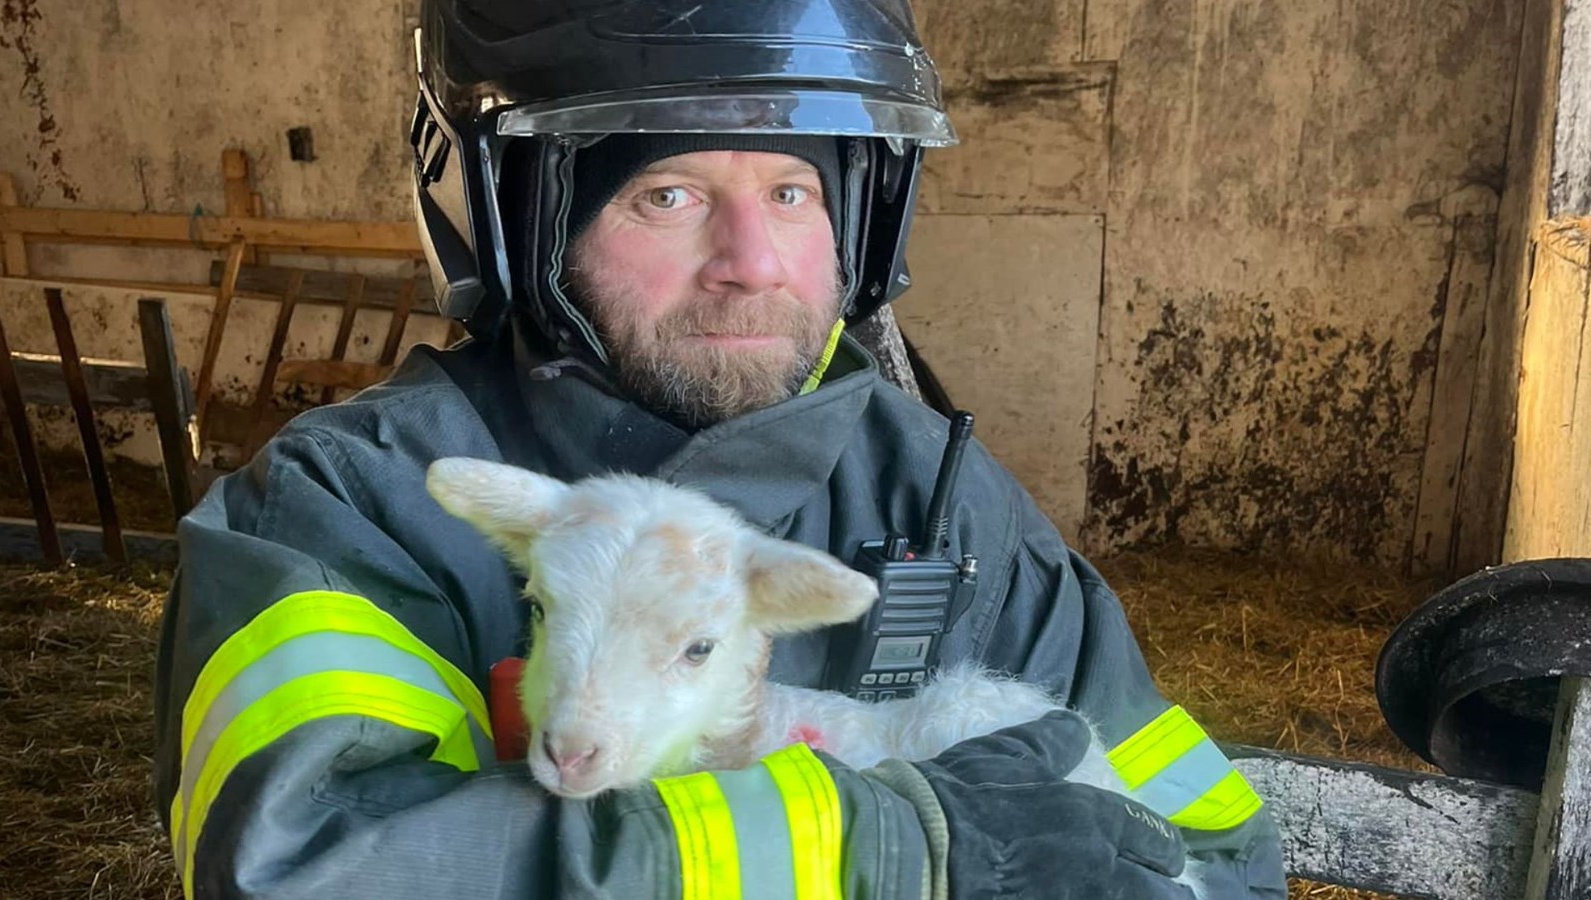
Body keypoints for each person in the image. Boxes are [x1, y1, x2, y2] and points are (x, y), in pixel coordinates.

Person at [153, 0, 1288, 897]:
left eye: (792, 190)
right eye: (671, 193)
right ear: (516, 222)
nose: (751, 260)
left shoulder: (948, 507)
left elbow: (1214, 844)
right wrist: (896, 856)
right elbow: (307, 870)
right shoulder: (351, 510)